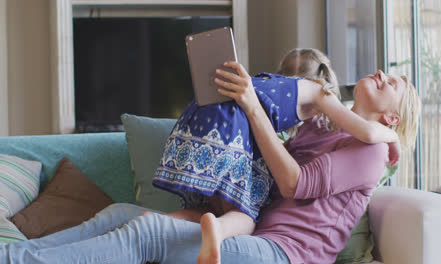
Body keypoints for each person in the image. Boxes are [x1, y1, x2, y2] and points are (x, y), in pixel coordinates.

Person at [0, 60, 420, 264]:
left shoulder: (373, 152)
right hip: (255, 231)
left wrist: (252, 106)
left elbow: (293, 184)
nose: (384, 73)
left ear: (392, 118)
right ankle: (17, 253)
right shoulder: (327, 128)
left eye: (394, 83)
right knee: (120, 212)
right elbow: (268, 175)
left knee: (148, 232)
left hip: (286, 255)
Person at [150, 48, 399, 263]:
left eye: (393, 83)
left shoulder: (337, 116)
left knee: (215, 213)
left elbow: (364, 134)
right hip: (231, 133)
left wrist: (391, 137)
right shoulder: (318, 115)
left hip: (208, 119)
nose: (380, 73)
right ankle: (197, 228)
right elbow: (364, 130)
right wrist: (394, 137)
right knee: (241, 216)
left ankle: (157, 223)